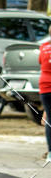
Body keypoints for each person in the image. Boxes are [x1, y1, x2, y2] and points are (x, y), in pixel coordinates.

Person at [38, 33, 51, 164]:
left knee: (49, 120)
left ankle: (50, 152)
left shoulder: (44, 47)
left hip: (45, 86)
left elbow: (41, 63)